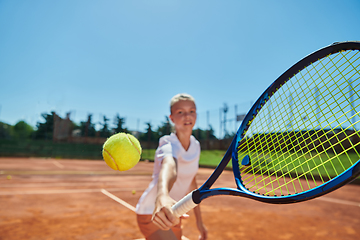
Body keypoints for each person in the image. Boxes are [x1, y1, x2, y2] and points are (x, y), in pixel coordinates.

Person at [135, 93, 208, 240]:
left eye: (191, 111)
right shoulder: (167, 143)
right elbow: (169, 167)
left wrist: (199, 222)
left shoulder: (196, 145)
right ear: (172, 118)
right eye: (180, 112)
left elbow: (192, 184)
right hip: (153, 211)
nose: (187, 116)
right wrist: (162, 196)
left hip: (174, 210)